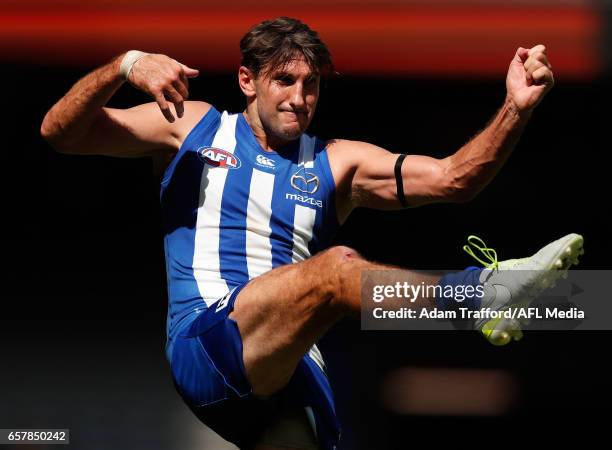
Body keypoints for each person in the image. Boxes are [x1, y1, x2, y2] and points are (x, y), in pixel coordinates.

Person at [41, 16, 583, 450]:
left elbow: (454, 178)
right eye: (284, 80)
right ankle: (481, 296)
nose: (299, 97)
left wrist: (515, 107)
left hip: (293, 376)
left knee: (584, 302)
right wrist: (126, 64)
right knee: (336, 272)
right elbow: (60, 133)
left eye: (311, 84)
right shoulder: (193, 123)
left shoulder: (337, 162)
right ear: (247, 80)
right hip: (208, 342)